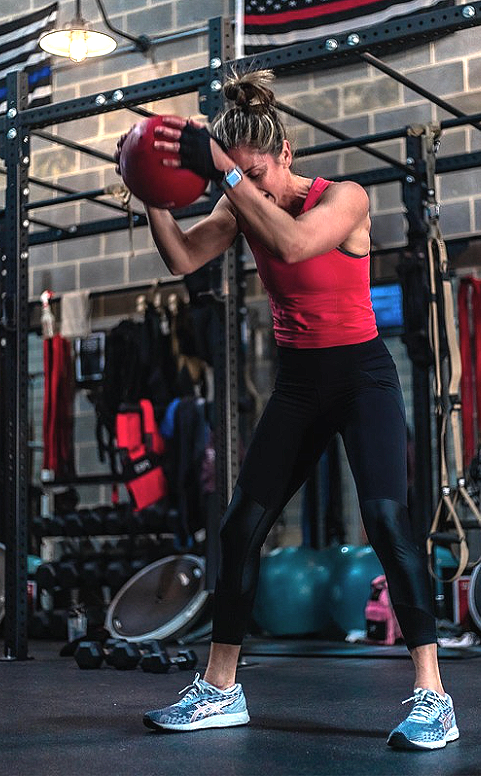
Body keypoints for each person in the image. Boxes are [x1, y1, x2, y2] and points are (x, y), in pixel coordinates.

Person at [115, 69, 459, 751]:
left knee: (389, 521)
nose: (251, 187)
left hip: (362, 377)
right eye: (238, 176)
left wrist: (227, 178)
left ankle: (434, 698)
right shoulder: (242, 202)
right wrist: (151, 194)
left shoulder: (347, 198)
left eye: (256, 173)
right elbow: (184, 258)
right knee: (241, 527)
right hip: (300, 383)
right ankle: (220, 690)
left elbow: (295, 244)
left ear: (286, 154)